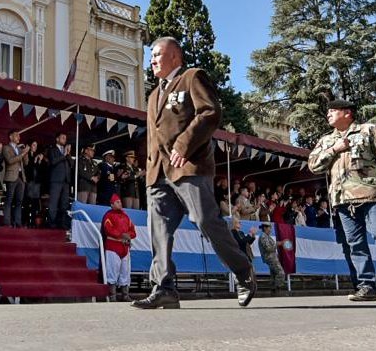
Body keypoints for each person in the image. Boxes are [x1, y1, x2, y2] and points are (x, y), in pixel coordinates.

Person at [132, 36, 256, 309]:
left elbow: (210, 112)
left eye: (157, 55)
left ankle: (243, 271)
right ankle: (164, 288)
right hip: (158, 174)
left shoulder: (191, 77)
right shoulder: (153, 96)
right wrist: (149, 169)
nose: (152, 60)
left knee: (205, 220)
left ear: (175, 56)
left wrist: (183, 145)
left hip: (188, 166)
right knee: (159, 230)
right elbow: (154, 136)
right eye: (151, 56)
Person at [308, 99, 376, 301]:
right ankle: (366, 286)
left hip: (371, 193)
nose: (328, 114)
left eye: (333, 110)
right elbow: (313, 166)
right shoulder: (326, 140)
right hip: (342, 198)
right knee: (355, 243)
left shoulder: (369, 130)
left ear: (347, 113)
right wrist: (334, 149)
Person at [101, 194, 137, 301]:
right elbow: (108, 229)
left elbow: (133, 231)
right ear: (112, 205)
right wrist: (122, 235)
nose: (120, 203)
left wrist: (128, 235)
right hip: (113, 247)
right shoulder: (108, 216)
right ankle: (112, 295)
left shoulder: (126, 217)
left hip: (125, 247)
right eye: (117, 202)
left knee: (125, 271)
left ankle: (125, 295)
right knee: (112, 271)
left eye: (120, 201)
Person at [46, 132, 73, 231]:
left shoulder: (66, 151)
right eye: (62, 137)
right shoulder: (52, 150)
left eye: (65, 138)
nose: (64, 139)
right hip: (56, 180)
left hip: (66, 181)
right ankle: (51, 223)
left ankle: (62, 223)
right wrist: (64, 154)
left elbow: (71, 164)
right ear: (57, 139)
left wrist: (68, 154)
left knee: (64, 204)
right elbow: (53, 161)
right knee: (53, 203)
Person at [1, 131, 27, 228]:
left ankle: (18, 222)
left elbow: (26, 163)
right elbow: (10, 161)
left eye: (19, 136)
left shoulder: (20, 149)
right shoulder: (6, 148)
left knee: (19, 201)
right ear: (10, 137)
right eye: (16, 135)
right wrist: (22, 153)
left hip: (21, 176)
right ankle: (7, 222)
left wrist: (25, 153)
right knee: (9, 199)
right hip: (11, 176)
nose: (18, 137)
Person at [258, 222, 287, 295]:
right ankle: (277, 289)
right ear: (265, 228)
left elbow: (271, 245)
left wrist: (279, 243)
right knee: (280, 273)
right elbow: (268, 248)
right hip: (270, 258)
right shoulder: (263, 236)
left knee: (274, 275)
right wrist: (277, 244)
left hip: (272, 257)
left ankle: (274, 292)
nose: (270, 229)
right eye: (269, 228)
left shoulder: (266, 236)